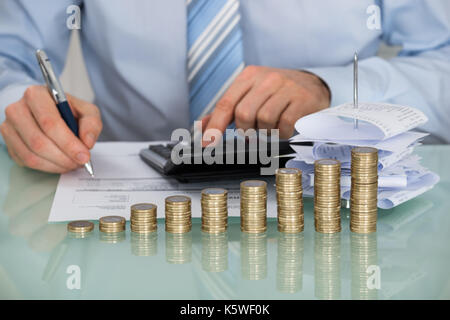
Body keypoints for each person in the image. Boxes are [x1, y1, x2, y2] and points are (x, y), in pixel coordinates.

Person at [0, 0, 449, 174]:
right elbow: (9, 54)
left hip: (327, 192)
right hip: (129, 194)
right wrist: (18, 108)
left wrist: (331, 93)